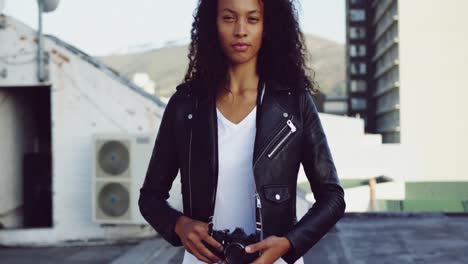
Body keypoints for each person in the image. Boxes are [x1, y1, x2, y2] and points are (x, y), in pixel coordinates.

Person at [138, 0, 346, 263]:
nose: (240, 30)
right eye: (228, 18)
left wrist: (288, 243)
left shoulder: (295, 103)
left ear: (268, 25)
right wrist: (179, 225)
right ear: (212, 25)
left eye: (252, 19)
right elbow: (150, 197)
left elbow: (332, 198)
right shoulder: (185, 105)